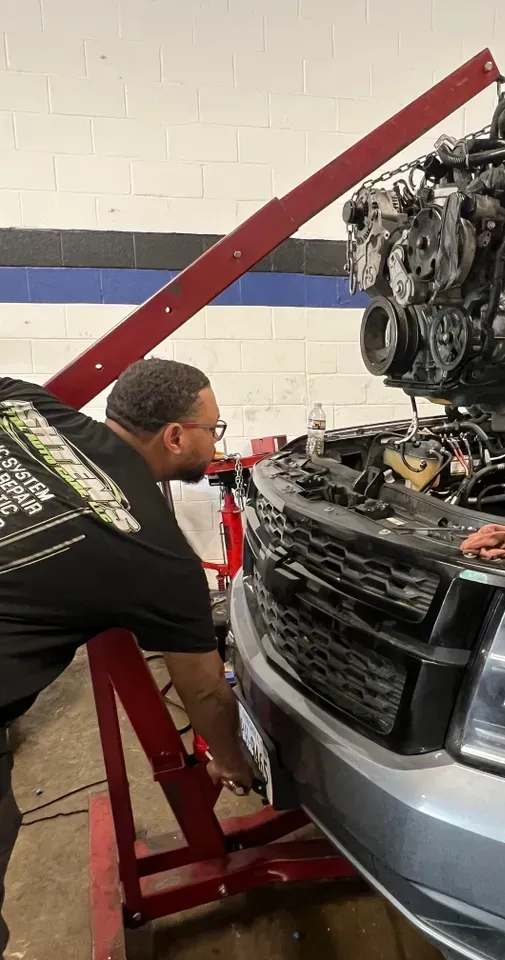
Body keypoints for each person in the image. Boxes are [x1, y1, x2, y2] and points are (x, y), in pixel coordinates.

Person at [0, 358, 253, 956]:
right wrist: (232, 761)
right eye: (213, 430)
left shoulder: (22, 402)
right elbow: (205, 692)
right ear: (175, 437)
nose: (216, 441)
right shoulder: (159, 557)